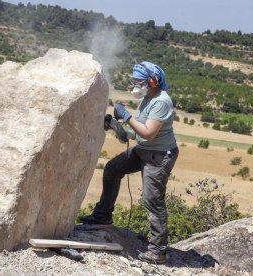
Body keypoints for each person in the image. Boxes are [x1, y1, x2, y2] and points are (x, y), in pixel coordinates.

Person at [80, 61, 178, 265]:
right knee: (112, 168)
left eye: (139, 82)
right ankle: (102, 216)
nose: (136, 86)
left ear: (152, 81)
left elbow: (149, 133)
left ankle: (158, 250)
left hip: (159, 155)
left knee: (152, 199)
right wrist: (121, 129)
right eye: (134, 81)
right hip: (144, 150)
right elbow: (141, 131)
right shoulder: (148, 97)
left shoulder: (161, 101)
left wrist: (126, 116)